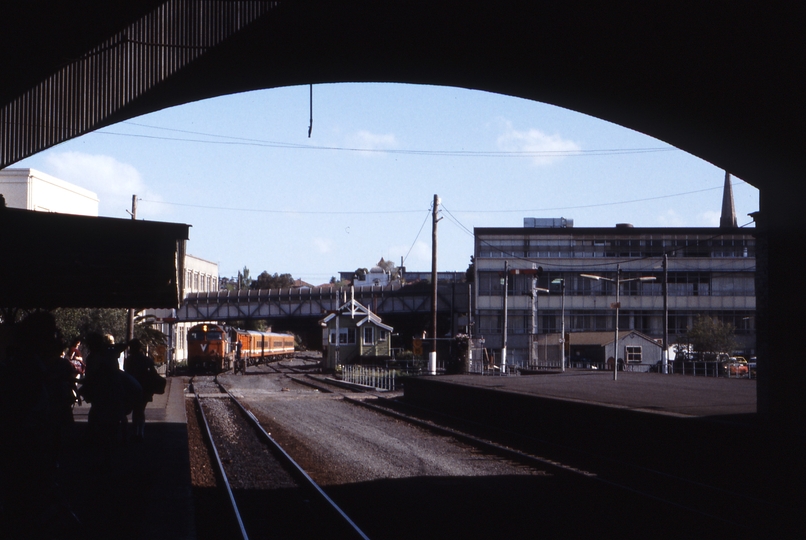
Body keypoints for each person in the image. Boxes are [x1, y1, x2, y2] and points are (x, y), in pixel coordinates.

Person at [123, 339, 157, 440]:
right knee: (140, 410)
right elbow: (153, 374)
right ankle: (140, 432)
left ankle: (135, 432)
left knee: (135, 410)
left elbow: (127, 372)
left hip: (132, 388)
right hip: (145, 388)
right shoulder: (147, 360)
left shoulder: (129, 360)